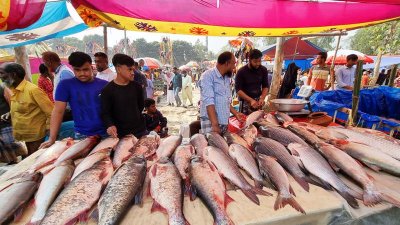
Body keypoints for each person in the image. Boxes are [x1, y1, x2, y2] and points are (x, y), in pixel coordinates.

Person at [40, 52, 108, 149]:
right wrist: (52, 138)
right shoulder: (65, 85)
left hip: (106, 133)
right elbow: (58, 111)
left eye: (85, 69)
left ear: (92, 68)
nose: (82, 73)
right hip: (82, 136)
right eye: (77, 70)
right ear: (73, 69)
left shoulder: (105, 85)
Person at [0, 63, 53, 156]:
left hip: (37, 138)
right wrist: (10, 114)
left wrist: (49, 130)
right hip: (24, 136)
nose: (1, 77)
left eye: (1, 73)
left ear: (13, 75)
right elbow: (23, 108)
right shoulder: (13, 90)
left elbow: (51, 112)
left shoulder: (33, 90)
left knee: (34, 163)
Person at [101, 54, 147, 138]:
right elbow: (105, 113)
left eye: (133, 69)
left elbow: (140, 106)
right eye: (129, 69)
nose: (133, 73)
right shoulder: (108, 90)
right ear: (118, 69)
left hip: (140, 131)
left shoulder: (137, 87)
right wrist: (110, 125)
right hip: (120, 134)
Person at [199, 51, 245, 134]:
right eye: (233, 64)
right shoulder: (208, 76)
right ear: (227, 63)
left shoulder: (226, 78)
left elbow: (225, 100)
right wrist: (215, 124)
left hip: (223, 121)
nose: (234, 67)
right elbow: (209, 101)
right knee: (211, 146)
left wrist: (235, 113)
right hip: (211, 122)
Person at [42, 51, 74, 121]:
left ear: (49, 62)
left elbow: (71, 94)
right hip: (63, 110)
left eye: (44, 62)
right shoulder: (58, 72)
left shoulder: (64, 73)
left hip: (68, 112)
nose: (44, 65)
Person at [235, 49, 269, 115]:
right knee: (245, 122)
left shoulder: (263, 70)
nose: (258, 64)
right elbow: (238, 90)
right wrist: (250, 100)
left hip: (258, 101)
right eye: (255, 62)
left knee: (258, 122)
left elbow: (265, 86)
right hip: (244, 101)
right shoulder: (241, 72)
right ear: (249, 60)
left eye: (259, 61)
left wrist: (262, 98)